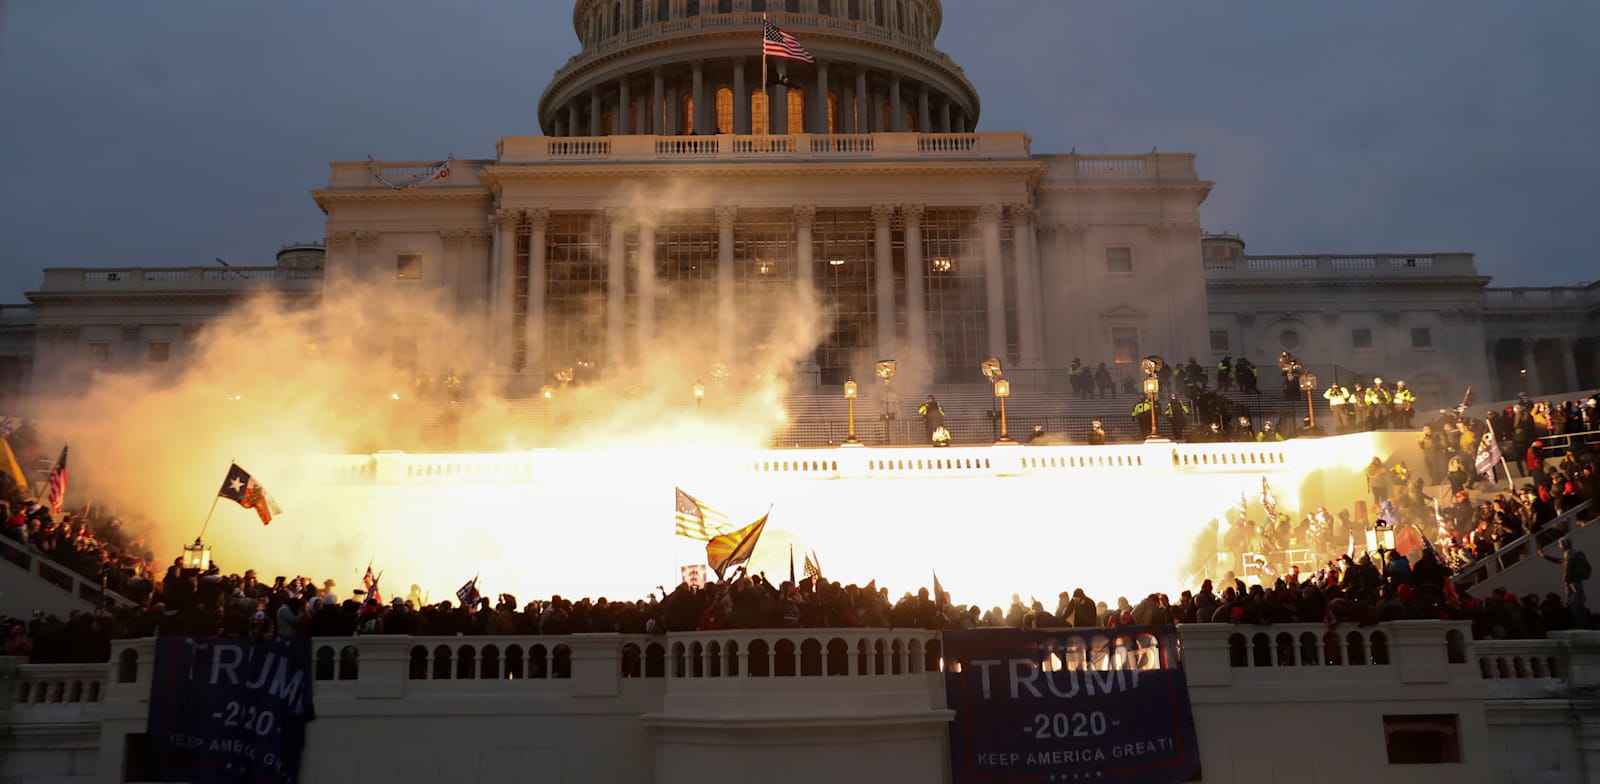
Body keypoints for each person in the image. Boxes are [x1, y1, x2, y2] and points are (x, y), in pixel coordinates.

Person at [1541, 537, 1591, 627]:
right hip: (1575, 582)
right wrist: (1545, 557)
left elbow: (1567, 567)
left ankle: (1579, 622)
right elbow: (1560, 561)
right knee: (1579, 601)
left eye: (1560, 544)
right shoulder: (1572, 553)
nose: (1559, 546)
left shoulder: (1568, 553)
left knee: (1574, 602)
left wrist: (1566, 580)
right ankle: (1583, 621)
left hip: (1572, 583)